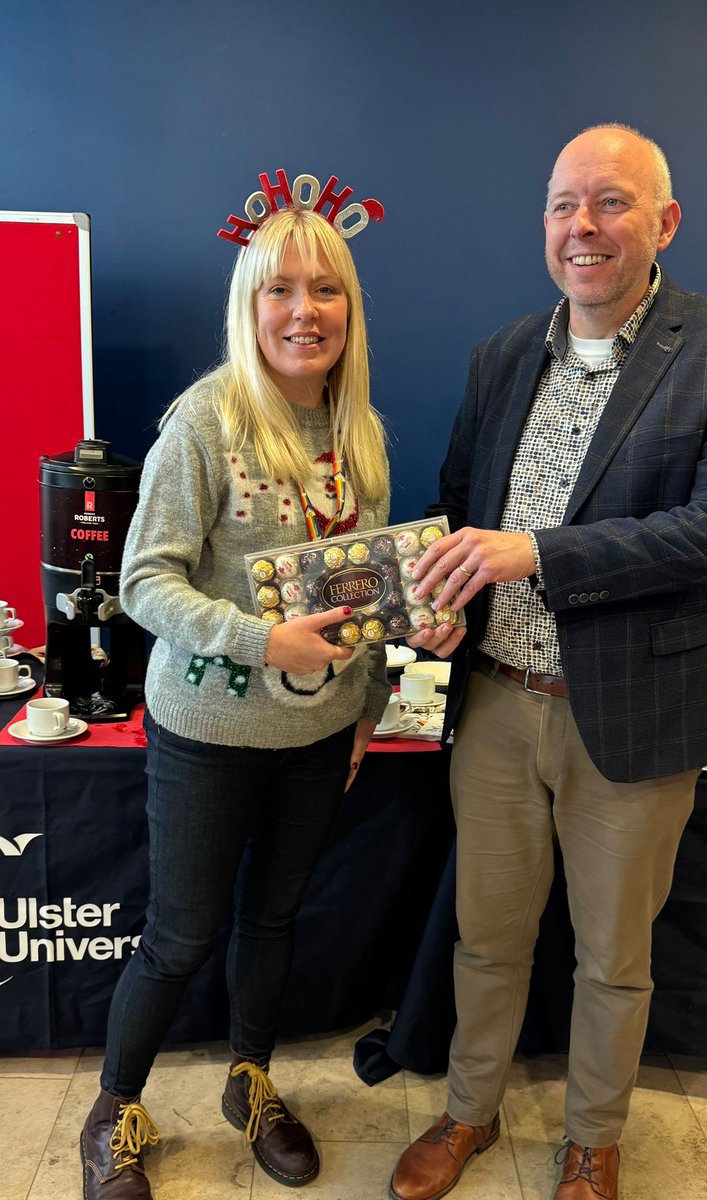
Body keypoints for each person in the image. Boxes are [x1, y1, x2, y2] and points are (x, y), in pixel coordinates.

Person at [389, 124, 707, 1200]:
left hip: (637, 716)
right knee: (487, 940)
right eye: (565, 204)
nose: (583, 227)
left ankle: (591, 1142)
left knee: (613, 960)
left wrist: (540, 554)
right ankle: (468, 1111)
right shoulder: (504, 353)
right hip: (499, 707)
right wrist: (439, 602)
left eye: (611, 203)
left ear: (665, 222)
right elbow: (456, 514)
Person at [80, 204, 390, 1199]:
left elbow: (366, 588)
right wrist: (262, 642)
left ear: (351, 305)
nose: (306, 311)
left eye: (326, 287)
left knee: (274, 922)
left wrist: (367, 705)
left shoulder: (360, 432)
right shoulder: (206, 420)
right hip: (208, 731)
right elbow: (143, 583)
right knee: (181, 936)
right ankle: (115, 1108)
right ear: (248, 305)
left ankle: (251, 1080)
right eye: (281, 290)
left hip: (318, 731)